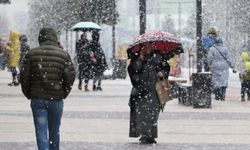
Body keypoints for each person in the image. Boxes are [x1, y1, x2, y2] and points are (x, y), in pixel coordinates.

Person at [20, 27, 75, 150]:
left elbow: (24, 76)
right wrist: (64, 92)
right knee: (54, 131)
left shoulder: (31, 54)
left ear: (40, 38)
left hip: (38, 98)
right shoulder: (64, 55)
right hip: (56, 99)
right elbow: (70, 75)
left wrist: (29, 93)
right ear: (55, 38)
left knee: (41, 130)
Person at [128, 43, 169, 144]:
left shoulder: (158, 57)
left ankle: (151, 135)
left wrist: (162, 73)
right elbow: (132, 70)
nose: (147, 48)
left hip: (155, 90)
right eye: (145, 46)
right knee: (142, 113)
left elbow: (166, 68)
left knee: (153, 114)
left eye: (149, 45)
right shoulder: (137, 58)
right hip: (141, 91)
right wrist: (140, 60)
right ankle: (144, 135)